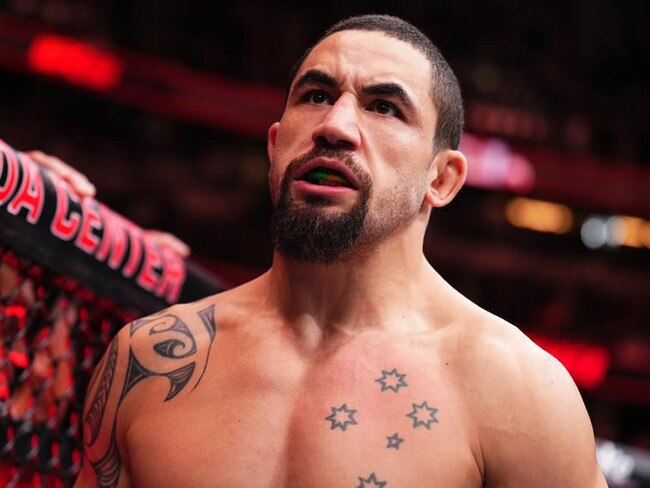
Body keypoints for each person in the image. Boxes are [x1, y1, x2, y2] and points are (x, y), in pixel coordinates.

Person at [68, 14, 607, 487]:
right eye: (317, 95)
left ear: (441, 178)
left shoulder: (516, 390)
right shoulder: (148, 358)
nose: (335, 126)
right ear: (276, 147)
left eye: (385, 107)